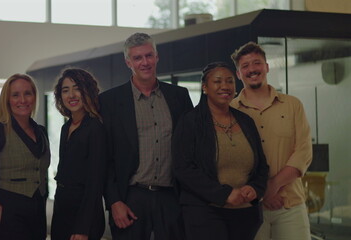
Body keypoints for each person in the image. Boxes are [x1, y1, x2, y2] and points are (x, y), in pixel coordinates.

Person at [99, 32, 193, 240]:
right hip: (130, 197)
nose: (145, 62)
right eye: (138, 58)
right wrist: (114, 202)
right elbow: (105, 158)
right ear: (128, 62)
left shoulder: (180, 97)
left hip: (171, 198)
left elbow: (190, 150)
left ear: (157, 57)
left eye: (149, 55)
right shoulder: (109, 102)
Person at [172, 62, 269, 240]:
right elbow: (182, 168)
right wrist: (224, 194)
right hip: (204, 212)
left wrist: (256, 188)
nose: (225, 86)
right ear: (205, 88)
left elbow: (262, 165)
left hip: (245, 213)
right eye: (217, 81)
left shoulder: (246, 121)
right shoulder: (190, 122)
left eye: (230, 81)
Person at [230, 42, 313, 240]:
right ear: (239, 74)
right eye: (245, 66)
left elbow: (303, 152)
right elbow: (230, 159)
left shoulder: (293, 105)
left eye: (256, 63)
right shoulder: (231, 111)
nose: (252, 69)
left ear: (266, 67)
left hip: (290, 205)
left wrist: (271, 187)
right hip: (247, 208)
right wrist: (261, 193)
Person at [0, 73, 50, 240]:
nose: (23, 100)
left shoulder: (41, 131)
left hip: (38, 213)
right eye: (15, 95)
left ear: (34, 96)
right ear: (7, 100)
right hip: (8, 210)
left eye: (28, 93)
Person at [51, 68, 106, 240]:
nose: (71, 95)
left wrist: (83, 227)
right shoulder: (65, 127)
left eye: (77, 88)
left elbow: (95, 183)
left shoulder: (95, 128)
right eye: (65, 90)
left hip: (84, 214)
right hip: (61, 208)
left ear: (87, 91)